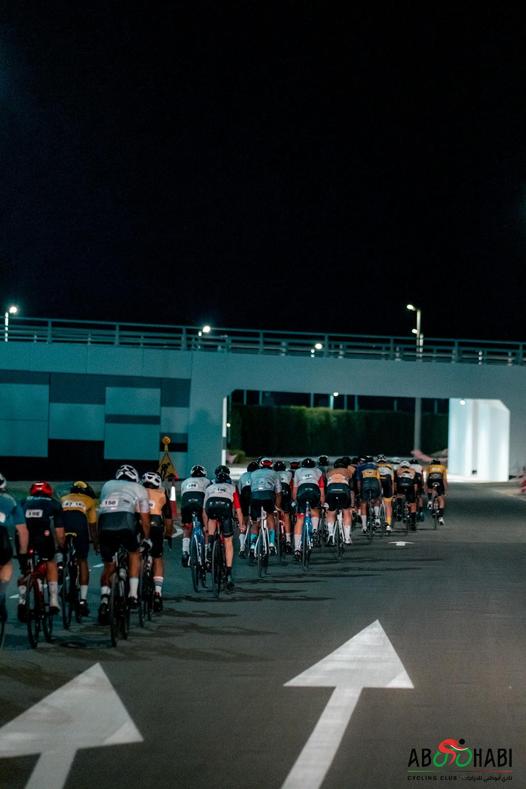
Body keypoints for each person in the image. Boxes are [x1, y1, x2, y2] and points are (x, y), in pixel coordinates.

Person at [97, 465, 151, 623]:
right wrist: (146, 538)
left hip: (105, 523)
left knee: (109, 565)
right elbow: (145, 519)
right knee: (134, 553)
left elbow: (101, 508)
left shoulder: (107, 485)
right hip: (126, 521)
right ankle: (133, 594)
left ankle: (104, 599)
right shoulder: (140, 488)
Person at [19, 481, 64, 617]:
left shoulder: (23, 501)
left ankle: (22, 600)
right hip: (42, 534)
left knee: (25, 569)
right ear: (49, 492)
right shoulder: (54, 503)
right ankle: (53, 600)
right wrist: (62, 546)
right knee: (50, 561)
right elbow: (59, 532)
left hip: (23, 535)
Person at [60, 481, 98, 616]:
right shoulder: (89, 500)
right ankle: (83, 600)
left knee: (61, 548)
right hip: (79, 525)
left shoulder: (63, 498)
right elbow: (92, 526)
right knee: (82, 560)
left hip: (63, 524)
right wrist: (96, 543)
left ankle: (60, 564)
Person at [204, 468, 242, 591]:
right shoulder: (232, 487)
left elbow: (204, 510)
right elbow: (238, 510)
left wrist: (206, 527)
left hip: (211, 506)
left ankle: (210, 546)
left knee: (212, 519)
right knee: (228, 541)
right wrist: (242, 525)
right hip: (225, 509)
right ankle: (229, 574)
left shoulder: (210, 487)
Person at [141, 471, 173, 612]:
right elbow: (168, 519)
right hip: (156, 523)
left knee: (134, 554)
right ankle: (158, 593)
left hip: (139, 522)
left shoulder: (137, 491)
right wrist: (168, 534)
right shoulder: (162, 492)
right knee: (158, 558)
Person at [0, 473, 28, 625]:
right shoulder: (11, 500)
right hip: (2, 538)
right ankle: (2, 593)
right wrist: (22, 554)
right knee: (6, 564)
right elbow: (22, 531)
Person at [248, 457, 282, 556]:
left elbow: (250, 488)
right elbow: (278, 492)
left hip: (255, 496)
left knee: (255, 522)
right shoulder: (275, 473)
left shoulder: (253, 473)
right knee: (270, 515)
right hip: (268, 496)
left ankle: (252, 545)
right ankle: (271, 543)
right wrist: (277, 507)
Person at [292, 457, 325, 558]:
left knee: (300, 520)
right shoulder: (318, 471)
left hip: (301, 491)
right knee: (315, 509)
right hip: (314, 490)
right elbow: (321, 489)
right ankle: (315, 530)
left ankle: (297, 548)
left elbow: (295, 489)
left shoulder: (297, 472)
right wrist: (322, 502)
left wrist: (295, 501)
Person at [180, 464, 211, 565]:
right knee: (206, 528)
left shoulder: (184, 482)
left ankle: (185, 552)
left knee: (187, 527)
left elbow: (182, 496)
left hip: (186, 504)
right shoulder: (207, 481)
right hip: (200, 503)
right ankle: (206, 555)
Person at [325, 458, 353, 545]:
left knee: (331, 512)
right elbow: (352, 488)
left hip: (331, 490)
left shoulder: (329, 472)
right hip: (343, 490)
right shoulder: (348, 471)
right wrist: (353, 503)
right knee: (346, 511)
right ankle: (347, 538)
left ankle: (330, 534)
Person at [355, 457, 383, 534]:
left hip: (365, 484)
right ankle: (377, 518)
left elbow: (358, 481)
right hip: (375, 483)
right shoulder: (376, 467)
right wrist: (380, 492)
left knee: (363, 504)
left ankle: (364, 526)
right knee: (376, 500)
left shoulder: (360, 467)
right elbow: (379, 480)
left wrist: (359, 492)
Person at [236, 461, 257, 557]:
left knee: (243, 520)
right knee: (255, 521)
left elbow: (239, 490)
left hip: (244, 494)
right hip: (254, 495)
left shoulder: (243, 475)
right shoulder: (258, 475)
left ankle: (242, 546)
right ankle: (253, 544)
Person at [273, 460, 293, 552]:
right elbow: (292, 485)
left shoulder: (272, 473)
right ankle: (288, 540)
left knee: (273, 514)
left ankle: (274, 535)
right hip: (285, 491)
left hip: (276, 492)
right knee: (286, 515)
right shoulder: (289, 473)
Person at [395, 460, 418, 530]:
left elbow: (395, 483)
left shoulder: (398, 470)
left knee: (399, 495)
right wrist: (415, 493)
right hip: (410, 487)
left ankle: (399, 509)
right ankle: (413, 522)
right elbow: (415, 484)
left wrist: (395, 492)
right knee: (413, 504)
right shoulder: (413, 471)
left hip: (400, 487)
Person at [425, 459, 448, 525]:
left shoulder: (429, 467)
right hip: (439, 481)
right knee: (441, 500)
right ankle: (440, 517)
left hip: (431, 480)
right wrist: (445, 489)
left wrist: (426, 486)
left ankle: (430, 500)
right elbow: (444, 479)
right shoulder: (443, 467)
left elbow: (427, 478)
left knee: (430, 488)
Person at [376, 455, 395, 533]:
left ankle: (377, 518)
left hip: (378, 483)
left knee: (376, 501)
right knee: (388, 505)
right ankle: (388, 525)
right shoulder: (390, 466)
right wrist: (393, 493)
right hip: (387, 483)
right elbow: (392, 481)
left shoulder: (375, 466)